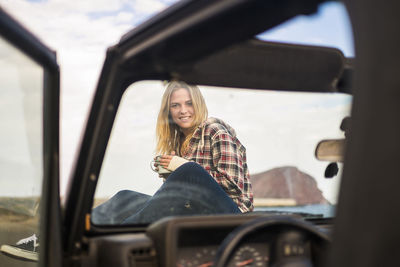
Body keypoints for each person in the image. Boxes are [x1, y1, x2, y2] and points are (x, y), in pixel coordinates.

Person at [92, 81, 253, 224]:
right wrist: (170, 176)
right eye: (175, 105)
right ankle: (82, 230)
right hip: (197, 212)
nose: (183, 110)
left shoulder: (215, 131)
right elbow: (177, 198)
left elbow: (233, 185)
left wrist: (183, 167)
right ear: (168, 111)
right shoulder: (179, 141)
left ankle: (124, 233)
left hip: (233, 218)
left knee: (190, 170)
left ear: (198, 104)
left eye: (189, 103)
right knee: (125, 198)